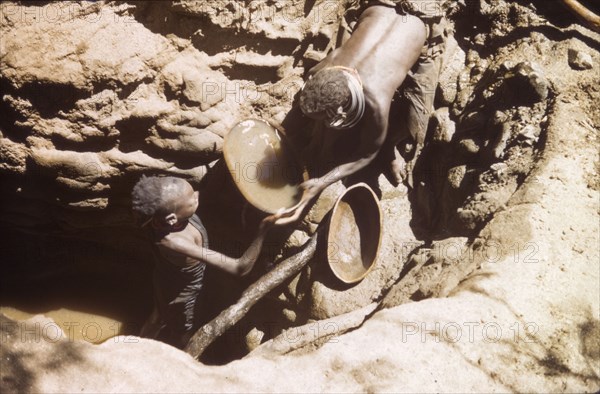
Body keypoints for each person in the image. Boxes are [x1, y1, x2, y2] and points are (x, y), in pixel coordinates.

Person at [278, 0, 446, 224]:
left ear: (340, 107)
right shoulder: (327, 66)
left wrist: (323, 181)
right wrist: (282, 131)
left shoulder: (377, 99)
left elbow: (366, 155)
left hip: (422, 20)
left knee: (414, 124)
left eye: (327, 117)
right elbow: (304, 99)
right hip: (384, 4)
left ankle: (389, 147)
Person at [131, 175, 279, 348]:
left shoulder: (161, 217)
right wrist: (264, 229)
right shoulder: (173, 241)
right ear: (172, 219)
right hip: (181, 294)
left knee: (159, 314)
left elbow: (205, 192)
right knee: (183, 331)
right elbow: (240, 267)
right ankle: (176, 357)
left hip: (165, 279)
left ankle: (139, 344)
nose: (197, 195)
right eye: (192, 199)